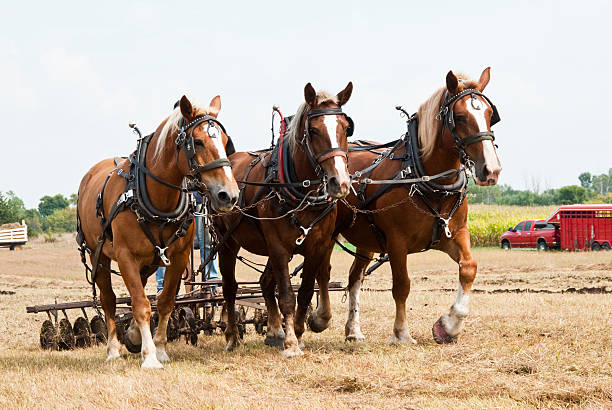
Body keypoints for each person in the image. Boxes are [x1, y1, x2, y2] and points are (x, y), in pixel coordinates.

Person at [155, 192, 220, 294]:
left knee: (208, 241)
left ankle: (212, 282)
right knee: (165, 244)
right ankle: (162, 287)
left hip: (199, 199)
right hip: (175, 202)